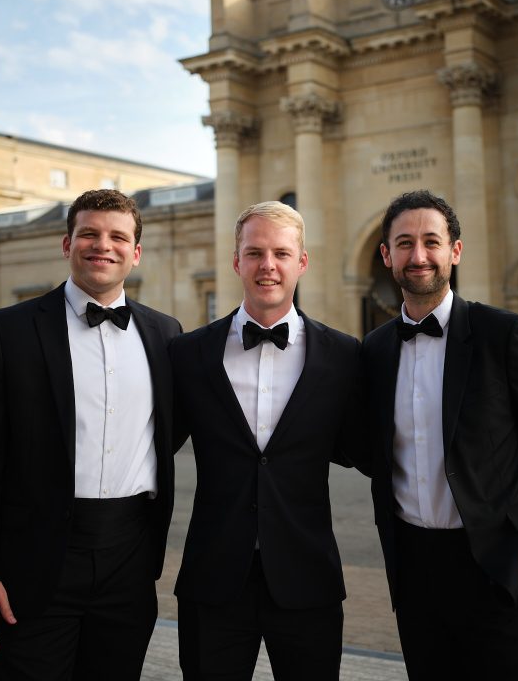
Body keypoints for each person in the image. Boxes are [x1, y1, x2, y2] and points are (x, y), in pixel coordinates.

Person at [362, 190, 518, 681]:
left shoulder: (502, 334)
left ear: (455, 251)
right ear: (386, 256)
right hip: (415, 569)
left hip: (497, 566)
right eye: (404, 244)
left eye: (431, 241)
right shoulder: (375, 351)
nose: (418, 256)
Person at [0, 189, 182, 680]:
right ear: (67, 243)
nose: (104, 245)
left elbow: (170, 433)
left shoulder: (166, 334)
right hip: (33, 565)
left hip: (129, 562)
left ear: (135, 252)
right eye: (90, 234)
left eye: (118, 237)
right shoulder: (9, 330)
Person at [170, 201, 364, 680]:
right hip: (213, 581)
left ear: (302, 261)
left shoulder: (343, 356)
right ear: (236, 261)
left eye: (281, 252)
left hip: (307, 581)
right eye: (254, 253)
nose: (267, 266)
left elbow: (369, 447)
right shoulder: (189, 353)